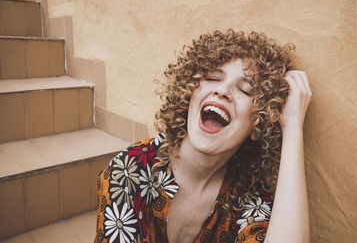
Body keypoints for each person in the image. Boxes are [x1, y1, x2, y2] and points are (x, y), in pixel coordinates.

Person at [94, 29, 312, 243]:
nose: (222, 90)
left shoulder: (246, 195)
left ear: (258, 124)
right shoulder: (130, 168)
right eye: (212, 77)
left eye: (245, 90)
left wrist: (292, 127)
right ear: (190, 92)